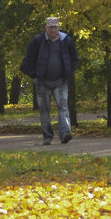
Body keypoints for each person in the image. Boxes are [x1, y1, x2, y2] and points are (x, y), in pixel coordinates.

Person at [20, 16, 79, 145]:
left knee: (63, 107)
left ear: (59, 28)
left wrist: (68, 72)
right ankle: (47, 136)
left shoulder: (66, 41)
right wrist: (34, 76)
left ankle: (65, 133)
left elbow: (75, 58)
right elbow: (28, 61)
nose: (53, 30)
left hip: (60, 81)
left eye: (55, 27)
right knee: (44, 110)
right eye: (50, 27)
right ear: (46, 28)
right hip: (42, 82)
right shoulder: (37, 41)